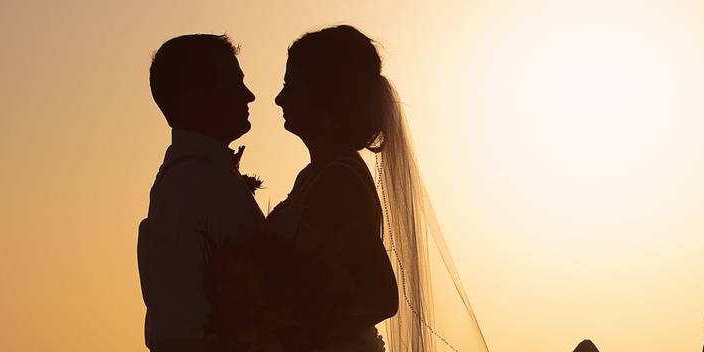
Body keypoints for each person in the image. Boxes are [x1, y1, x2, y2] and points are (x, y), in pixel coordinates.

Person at [270, 25, 489, 352]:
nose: (279, 98)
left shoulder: (339, 180)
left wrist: (293, 324)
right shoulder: (313, 176)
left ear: (324, 93)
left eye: (290, 85)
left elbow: (382, 298)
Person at [137, 33, 263, 352]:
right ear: (198, 96)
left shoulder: (201, 177)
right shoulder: (189, 184)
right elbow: (178, 328)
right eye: (234, 84)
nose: (249, 96)